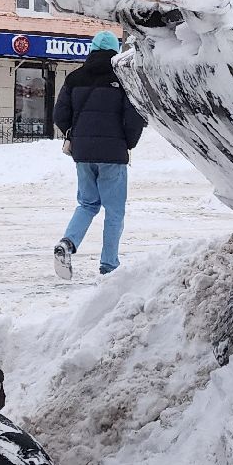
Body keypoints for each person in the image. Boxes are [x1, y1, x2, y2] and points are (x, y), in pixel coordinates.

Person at [52, 29, 145, 279]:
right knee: (114, 210)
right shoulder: (123, 79)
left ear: (92, 49)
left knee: (87, 203)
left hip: (82, 153)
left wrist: (76, 135)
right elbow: (134, 116)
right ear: (115, 51)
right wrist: (128, 142)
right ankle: (109, 265)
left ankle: (67, 243)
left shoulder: (74, 78)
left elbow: (60, 115)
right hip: (113, 154)